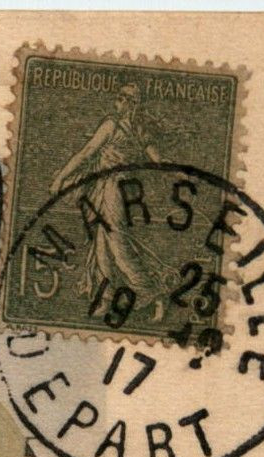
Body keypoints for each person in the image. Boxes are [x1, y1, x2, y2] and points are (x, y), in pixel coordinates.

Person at [47, 82, 175, 319]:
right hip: (104, 187)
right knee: (101, 244)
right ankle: (105, 298)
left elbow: (157, 161)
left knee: (118, 244)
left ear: (134, 104)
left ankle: (155, 294)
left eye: (127, 98)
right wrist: (61, 178)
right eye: (121, 97)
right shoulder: (119, 127)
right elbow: (86, 154)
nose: (122, 101)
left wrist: (178, 173)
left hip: (115, 189)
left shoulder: (129, 129)